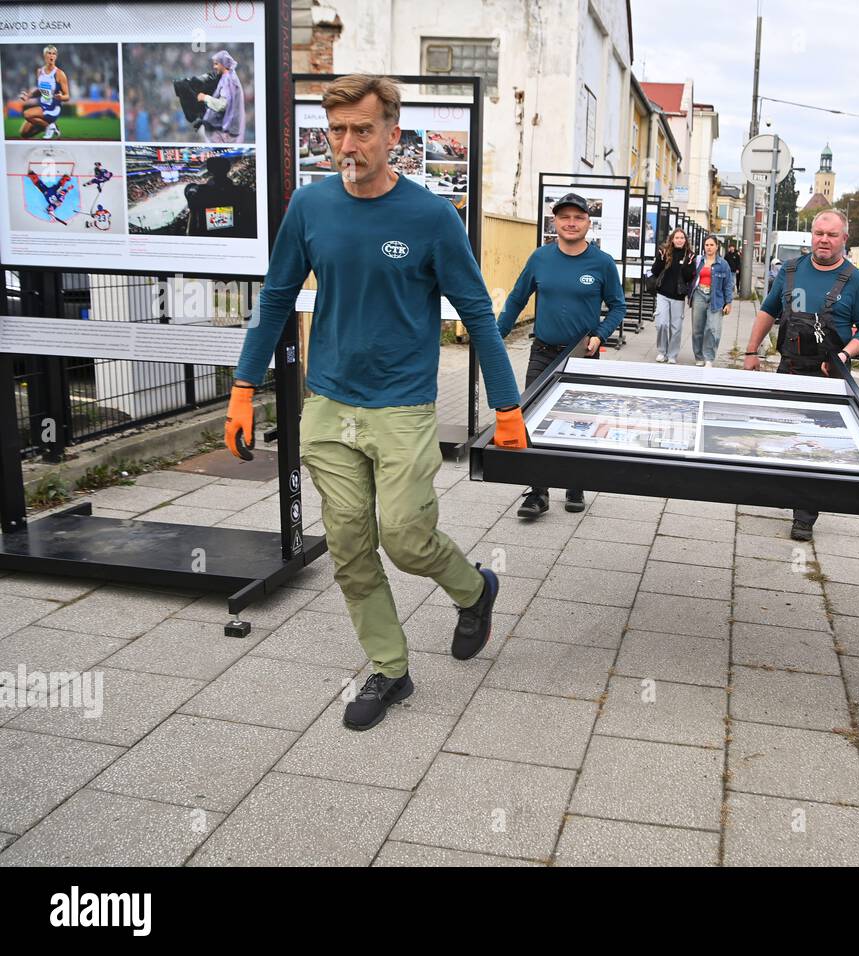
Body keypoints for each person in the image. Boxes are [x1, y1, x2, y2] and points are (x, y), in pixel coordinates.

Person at [225, 74, 528, 732]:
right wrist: (243, 387)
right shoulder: (310, 208)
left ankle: (475, 590)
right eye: (336, 130)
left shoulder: (429, 217)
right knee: (349, 543)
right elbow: (275, 298)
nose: (348, 143)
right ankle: (390, 668)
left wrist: (506, 406)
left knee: (406, 538)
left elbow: (476, 312)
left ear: (394, 135)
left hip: (403, 405)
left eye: (362, 130)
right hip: (329, 403)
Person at [742, 209, 859, 541]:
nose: (824, 240)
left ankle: (804, 514)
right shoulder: (790, 270)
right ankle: (787, 490)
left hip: (829, 374)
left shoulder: (857, 280)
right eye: (819, 233)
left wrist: (846, 353)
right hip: (788, 367)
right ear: (811, 235)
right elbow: (768, 311)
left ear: (845, 238)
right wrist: (750, 351)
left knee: (817, 445)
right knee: (780, 434)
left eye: (832, 235)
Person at [498, 192, 626, 518]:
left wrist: (600, 334)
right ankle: (538, 493)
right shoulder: (540, 258)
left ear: (588, 222)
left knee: (579, 421)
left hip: (582, 354)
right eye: (564, 217)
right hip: (542, 351)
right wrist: (494, 336)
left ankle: (575, 484)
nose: (571, 223)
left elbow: (618, 306)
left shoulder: (602, 263)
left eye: (578, 217)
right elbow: (515, 299)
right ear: (555, 222)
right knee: (532, 420)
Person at [185, 154, 255, 238]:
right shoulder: (241, 191)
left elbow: (193, 220)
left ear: (209, 170)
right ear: (228, 169)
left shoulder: (200, 192)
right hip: (234, 236)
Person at [690, 235, 734, 366]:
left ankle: (709, 357)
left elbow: (728, 285)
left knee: (713, 329)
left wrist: (729, 302)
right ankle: (699, 356)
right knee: (697, 329)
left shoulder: (723, 264)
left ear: (717, 246)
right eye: (706, 245)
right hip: (699, 295)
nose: (709, 248)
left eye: (711, 245)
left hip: (716, 298)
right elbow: (689, 276)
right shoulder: (698, 261)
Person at [651, 228, 694, 363]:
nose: (679, 240)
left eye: (682, 238)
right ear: (672, 239)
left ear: (685, 240)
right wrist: (660, 259)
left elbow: (688, 277)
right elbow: (655, 271)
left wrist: (688, 265)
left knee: (676, 327)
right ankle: (662, 351)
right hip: (663, 294)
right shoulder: (665, 252)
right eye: (677, 238)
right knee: (662, 324)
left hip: (678, 296)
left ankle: (672, 355)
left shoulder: (690, 255)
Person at [19, 46, 68, 139]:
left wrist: (61, 97)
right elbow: (40, 90)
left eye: (54, 53)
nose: (51, 56)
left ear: (56, 56)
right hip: (42, 107)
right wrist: (28, 96)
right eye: (49, 53)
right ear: (44, 56)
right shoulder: (40, 71)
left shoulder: (60, 74)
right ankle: (49, 126)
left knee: (27, 114)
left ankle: (48, 126)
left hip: (53, 108)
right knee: (24, 133)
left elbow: (67, 96)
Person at [195, 50, 245, 143]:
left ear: (224, 64)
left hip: (226, 131)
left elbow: (222, 105)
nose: (214, 67)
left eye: (216, 64)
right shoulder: (229, 76)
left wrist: (204, 97)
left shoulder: (228, 80)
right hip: (227, 128)